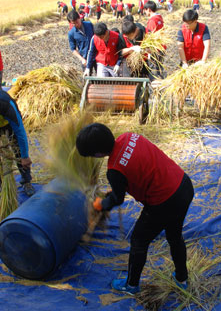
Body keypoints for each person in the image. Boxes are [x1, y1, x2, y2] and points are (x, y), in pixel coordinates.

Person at [76, 123, 194, 294]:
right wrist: (117, 188)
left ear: (98, 153)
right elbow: (138, 167)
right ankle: (182, 279)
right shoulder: (130, 137)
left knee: (139, 240)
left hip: (164, 200)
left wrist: (101, 204)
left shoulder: (114, 169)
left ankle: (131, 285)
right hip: (183, 185)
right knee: (174, 236)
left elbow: (118, 199)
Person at [144, 1, 166, 79]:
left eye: (145, 10)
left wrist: (149, 50)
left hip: (155, 49)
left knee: (154, 69)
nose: (145, 12)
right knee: (159, 66)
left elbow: (151, 37)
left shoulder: (152, 21)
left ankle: (156, 84)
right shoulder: (159, 18)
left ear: (149, 10)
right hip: (161, 46)